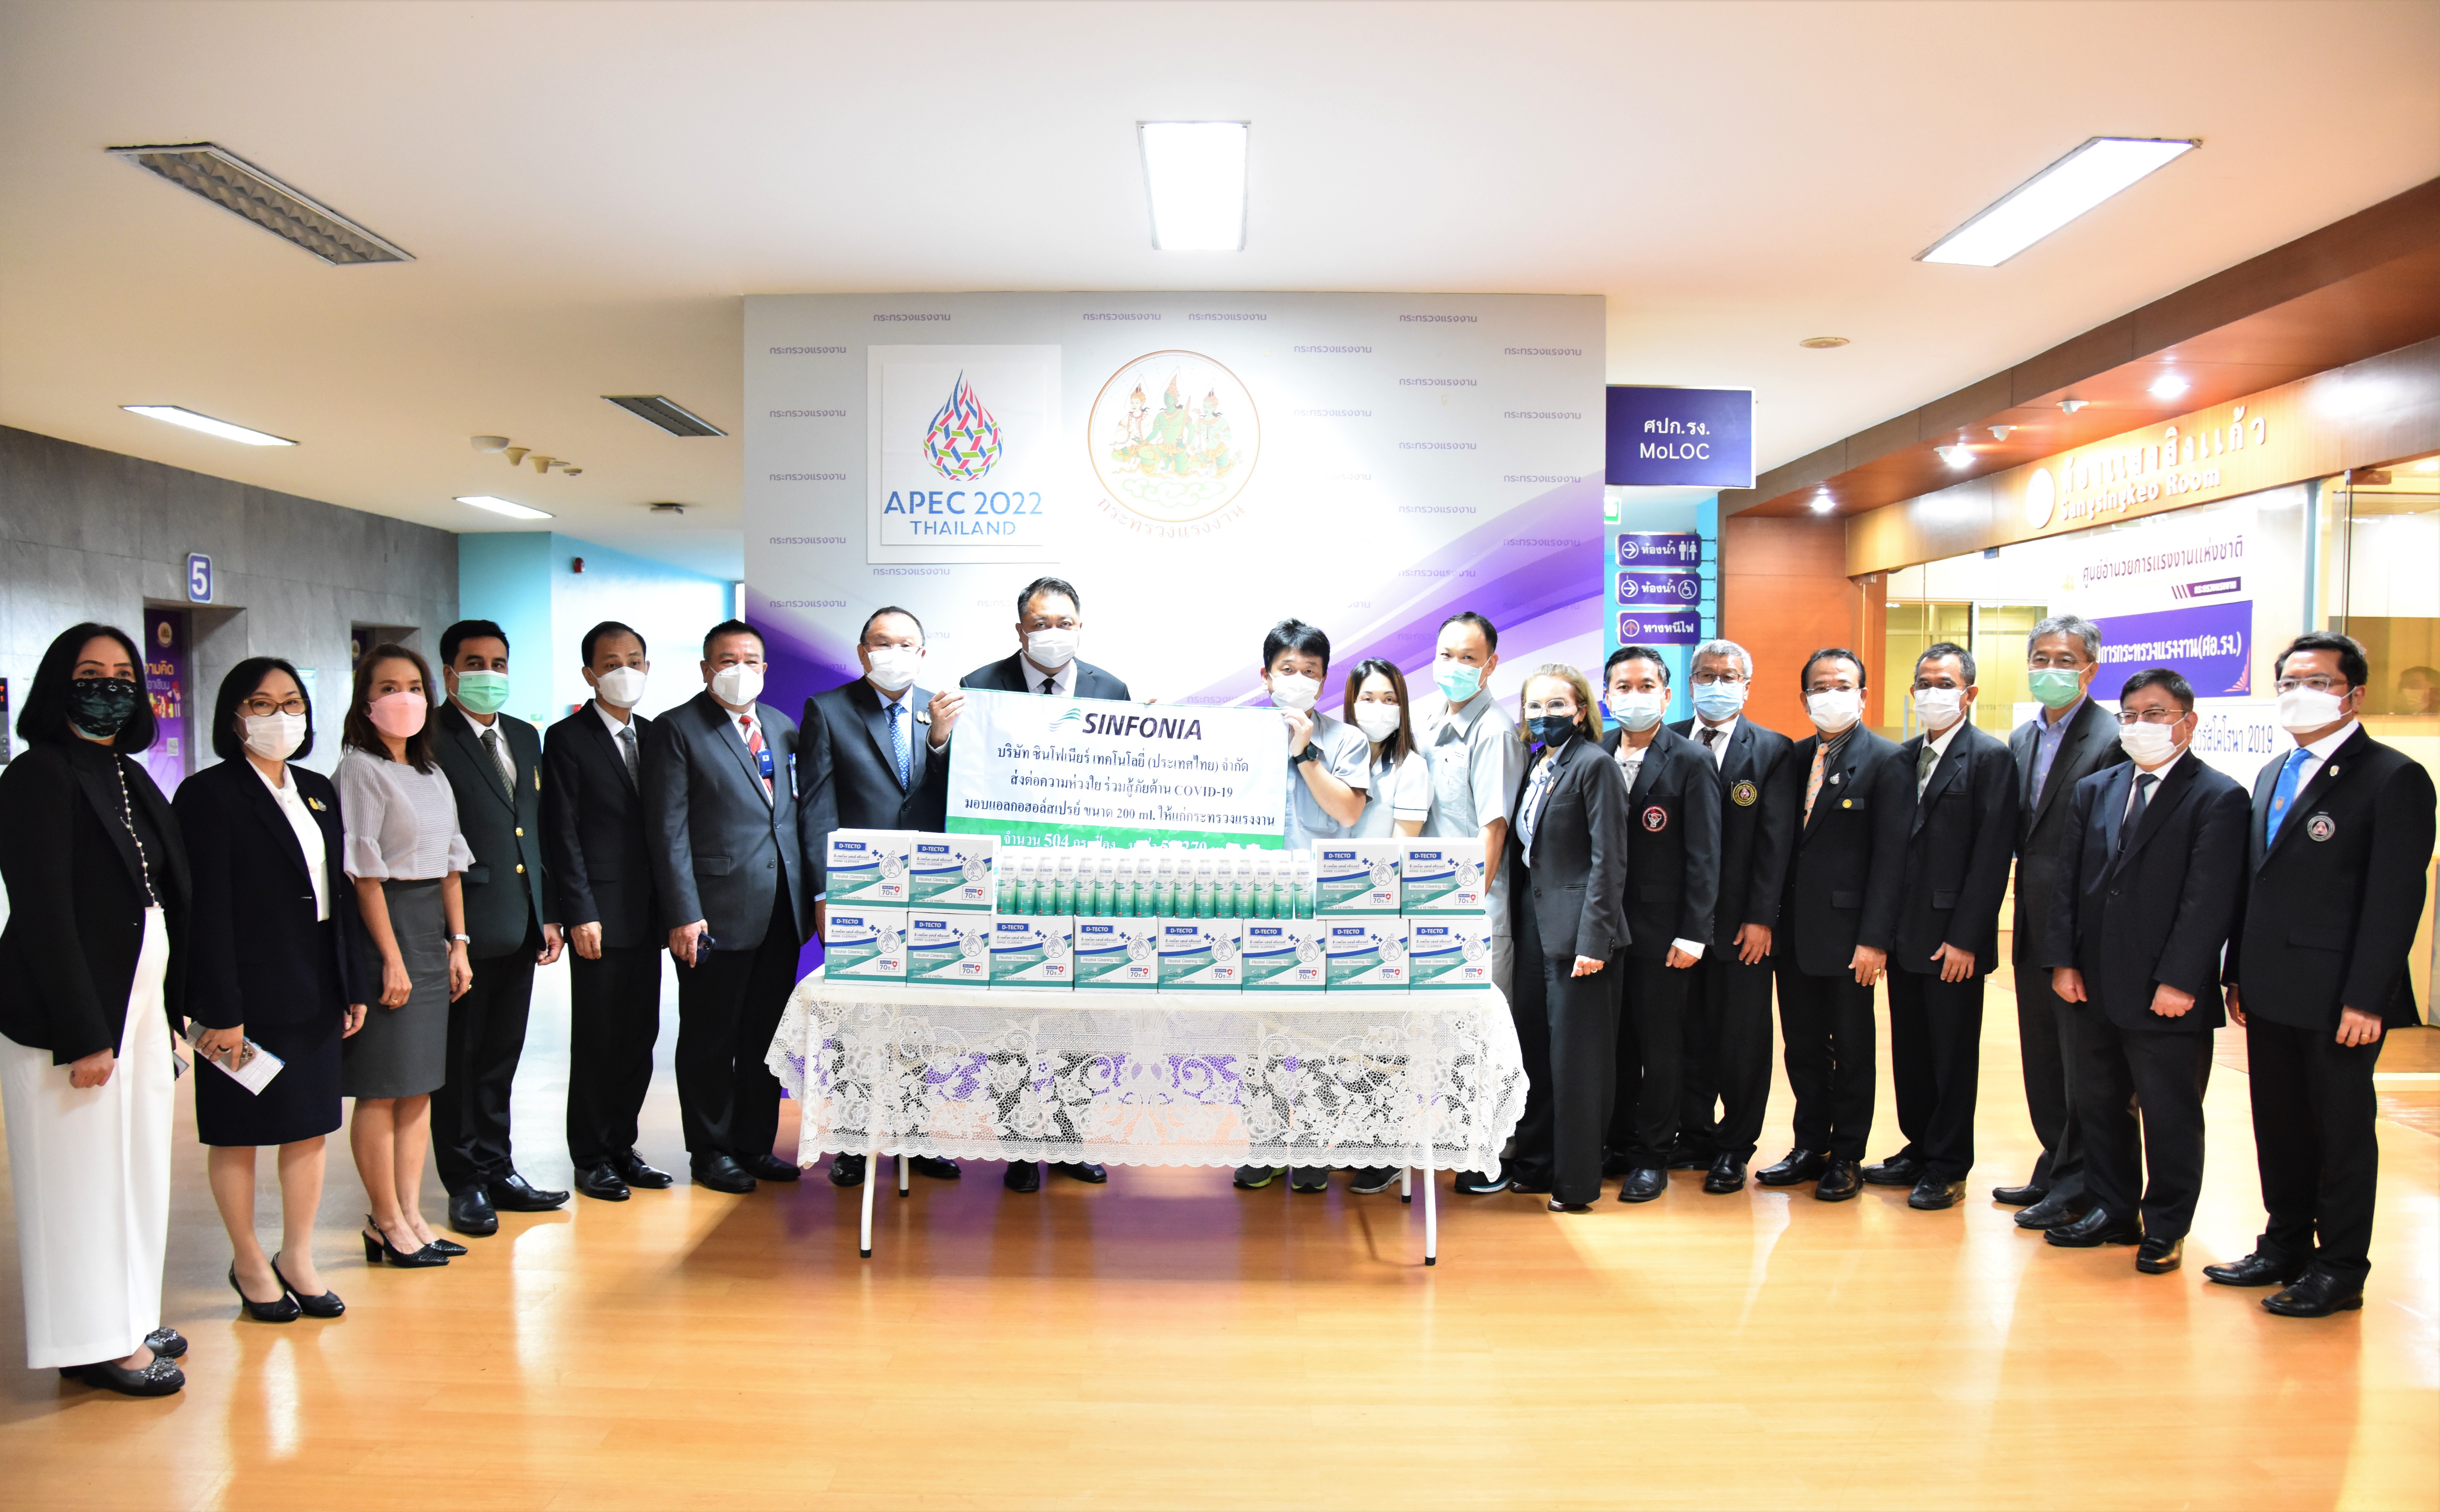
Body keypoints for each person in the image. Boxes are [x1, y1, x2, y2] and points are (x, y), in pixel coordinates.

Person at [2208, 632, 2436, 1318]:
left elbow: (2395, 899)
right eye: (2286, 681)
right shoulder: (2272, 771)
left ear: (2353, 694)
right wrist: (2237, 973)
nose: (2296, 693)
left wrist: (2367, 996)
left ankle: (2338, 1266)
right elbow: (2255, 883)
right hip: (2268, 987)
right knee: (2278, 1125)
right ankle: (2283, 1244)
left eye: (2316, 681)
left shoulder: (2391, 777)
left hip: (2339, 996)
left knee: (2339, 1134)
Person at [0, 624, 191, 1396]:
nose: (108, 686)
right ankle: (89, 1339)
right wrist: (85, 1033)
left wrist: (166, 1013)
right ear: (60, 682)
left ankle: (129, 1311)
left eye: (122, 674)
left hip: (137, 1002)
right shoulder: (37, 775)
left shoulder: (125, 771)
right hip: (71, 1014)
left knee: (137, 1163)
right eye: (90, 672)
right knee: (79, 1176)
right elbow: (44, 912)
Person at [2038, 668, 2249, 1274]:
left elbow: (2208, 900)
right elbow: (2068, 884)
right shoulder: (2096, 789)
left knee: (2168, 1112)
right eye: (2129, 715)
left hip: (2166, 990)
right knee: (2099, 1103)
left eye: (2154, 714)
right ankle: (2112, 1209)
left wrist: (2180, 979)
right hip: (2092, 982)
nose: (2138, 725)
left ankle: (2165, 1225)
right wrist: (2063, 961)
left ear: (2187, 720)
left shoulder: (2217, 796)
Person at [177, 658, 366, 1323]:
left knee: (308, 1126)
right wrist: (218, 1010)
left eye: (292, 703)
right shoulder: (207, 795)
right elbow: (204, 911)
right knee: (237, 1131)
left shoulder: (315, 789)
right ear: (235, 715)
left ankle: (298, 1255)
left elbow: (338, 894)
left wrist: (350, 982)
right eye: (262, 703)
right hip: (242, 995)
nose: (279, 716)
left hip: (314, 984)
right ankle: (249, 1260)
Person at [643, 620, 816, 1194]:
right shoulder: (676, 729)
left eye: (750, 660)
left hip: (779, 910)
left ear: (765, 669)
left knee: (766, 1036)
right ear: (705, 668)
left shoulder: (781, 727)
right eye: (727, 660)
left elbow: (790, 816)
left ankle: (754, 1144)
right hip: (712, 915)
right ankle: (711, 1150)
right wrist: (682, 912)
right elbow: (666, 831)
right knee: (710, 1039)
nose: (740, 670)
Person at [801, 606, 960, 1189]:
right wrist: (825, 892)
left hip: (931, 891)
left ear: (923, 653)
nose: (894, 652)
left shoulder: (941, 710)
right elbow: (816, 808)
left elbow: (953, 797)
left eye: (906, 643)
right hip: (858, 891)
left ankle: (914, 1136)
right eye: (881, 642)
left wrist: (939, 739)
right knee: (856, 1018)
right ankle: (850, 1140)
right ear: (862, 650)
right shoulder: (828, 710)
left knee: (921, 1019)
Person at [1864, 642, 2018, 1212]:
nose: (1932, 692)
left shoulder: (1990, 758)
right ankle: (1918, 1148)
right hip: (1904, 936)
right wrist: (1878, 934)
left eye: (1945, 683)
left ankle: (1948, 1165)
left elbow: (1991, 857)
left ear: (1969, 693)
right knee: (1911, 1052)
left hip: (1953, 939)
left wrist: (1966, 938)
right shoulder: (1900, 760)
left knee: (1951, 1056)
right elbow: (1888, 853)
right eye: (1924, 683)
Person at [337, 645, 474, 1270]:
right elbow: (365, 875)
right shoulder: (359, 769)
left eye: (415, 686)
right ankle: (384, 1217)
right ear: (366, 701)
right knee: (382, 1087)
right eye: (389, 687)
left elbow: (451, 865)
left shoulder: (431, 772)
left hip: (430, 932)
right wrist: (390, 958)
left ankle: (413, 1214)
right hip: (385, 929)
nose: (405, 698)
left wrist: (458, 943)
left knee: (420, 1085)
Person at [428, 619, 565, 1237]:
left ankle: (498, 1166)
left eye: (499, 663)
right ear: (449, 672)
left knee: (500, 1056)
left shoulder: (523, 735)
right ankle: (464, 1182)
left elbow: (536, 830)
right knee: (459, 1061)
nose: (490, 674)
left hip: (521, 920)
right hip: (463, 924)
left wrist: (549, 911)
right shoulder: (430, 737)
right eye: (475, 663)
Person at [1761, 648, 1907, 1203]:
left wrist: (1874, 939)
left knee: (1850, 1048)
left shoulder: (1887, 760)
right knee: (1801, 1046)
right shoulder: (1793, 756)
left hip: (1850, 939)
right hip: (1793, 935)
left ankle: (1846, 1155)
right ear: (1804, 698)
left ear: (1862, 695)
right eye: (1819, 687)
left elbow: (1890, 859)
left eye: (1842, 685)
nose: (1830, 695)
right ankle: (1809, 1145)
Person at [1233, 619, 1371, 1195]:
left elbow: (1347, 812)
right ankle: (1263, 1145)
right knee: (1259, 1031)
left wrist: (1305, 753)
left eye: (1308, 671)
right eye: (1286, 669)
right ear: (1265, 676)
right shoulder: (1236, 733)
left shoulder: (1347, 740)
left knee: (1317, 1032)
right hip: (1256, 906)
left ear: (1323, 679)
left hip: (1322, 908)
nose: (1296, 679)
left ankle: (1313, 1147)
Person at [542, 621, 674, 1203]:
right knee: (598, 1039)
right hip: (597, 915)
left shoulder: (656, 734)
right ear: (589, 673)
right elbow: (562, 831)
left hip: (648, 914)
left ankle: (623, 1145)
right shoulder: (567, 738)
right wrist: (579, 911)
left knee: (640, 1037)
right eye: (611, 661)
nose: (625, 670)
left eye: (635, 660)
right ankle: (590, 1156)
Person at [2000, 614, 2123, 1229]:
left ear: (2089, 669)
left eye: (2065, 659)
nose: (2050, 669)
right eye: (2041, 658)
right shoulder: (2022, 738)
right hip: (2031, 920)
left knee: (2083, 1064)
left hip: (2081, 927)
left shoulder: (2110, 737)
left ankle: (2079, 1182)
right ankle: (2053, 1161)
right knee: (2042, 1054)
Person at [1666, 639, 1795, 1195]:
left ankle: (1734, 1146)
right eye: (1705, 675)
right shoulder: (1667, 740)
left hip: (1743, 927)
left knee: (1741, 1043)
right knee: (1686, 1036)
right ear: (1689, 682)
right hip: (1679, 927)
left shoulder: (1771, 749)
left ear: (1746, 685)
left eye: (1728, 676)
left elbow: (1775, 842)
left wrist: (1762, 917)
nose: (1716, 684)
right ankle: (1694, 1135)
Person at [1499, 665, 1629, 1211]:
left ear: (1580, 711)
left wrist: (1593, 941)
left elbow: (1609, 860)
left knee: (1577, 1062)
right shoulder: (1537, 764)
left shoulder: (1594, 764)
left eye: (1556, 704)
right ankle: (1534, 1164)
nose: (1543, 714)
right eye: (1534, 705)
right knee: (1534, 1051)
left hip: (1581, 936)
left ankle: (1575, 1183)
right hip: (1533, 925)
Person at [1596, 646, 1719, 1204]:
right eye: (1622, 686)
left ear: (1667, 695)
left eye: (1646, 686)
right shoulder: (1595, 751)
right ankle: (1619, 1143)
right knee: (1616, 1044)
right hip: (1603, 929)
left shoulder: (1690, 759)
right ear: (1606, 695)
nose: (1634, 695)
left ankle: (1652, 1155)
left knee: (1659, 1047)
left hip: (1663, 934)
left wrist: (1694, 932)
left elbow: (1705, 854)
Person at [1419, 613, 1519, 1015]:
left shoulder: (1493, 731)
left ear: (1490, 664)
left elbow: (1493, 831)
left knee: (1474, 1035)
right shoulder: (1430, 722)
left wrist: (1464, 910)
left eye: (1468, 658)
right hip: (1430, 907)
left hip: (1472, 915)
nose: (1454, 666)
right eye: (1446, 655)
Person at [959, 576, 1131, 700]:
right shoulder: (977, 688)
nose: (1054, 633)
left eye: (1065, 624)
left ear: (1079, 628)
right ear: (1021, 632)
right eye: (1041, 625)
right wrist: (943, 735)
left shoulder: (1113, 692)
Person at [1345, 658, 1432, 839]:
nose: (1379, 707)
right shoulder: (1333, 758)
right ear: (1352, 703)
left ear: (1401, 707)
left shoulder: (1412, 768)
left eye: (1389, 699)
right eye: (1368, 699)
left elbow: (1401, 849)